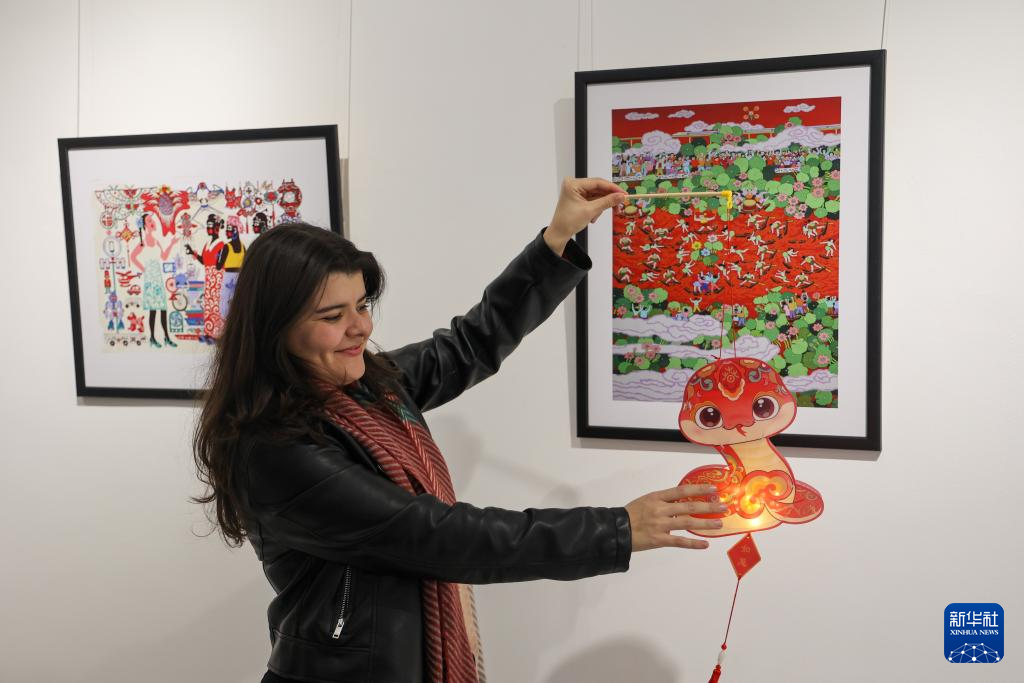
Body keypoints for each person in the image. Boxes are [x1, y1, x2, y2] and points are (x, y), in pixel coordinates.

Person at [192, 178, 727, 683]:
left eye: (362, 305)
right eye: (333, 316)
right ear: (275, 327)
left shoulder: (370, 388)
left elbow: (470, 343)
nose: (361, 327)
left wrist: (556, 239)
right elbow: (439, 536)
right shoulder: (272, 447)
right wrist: (616, 528)